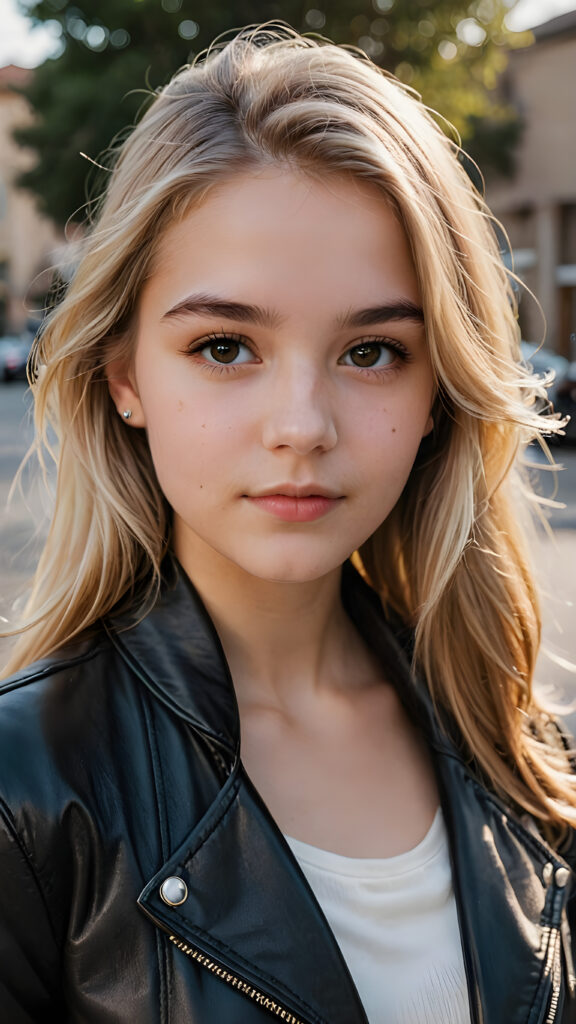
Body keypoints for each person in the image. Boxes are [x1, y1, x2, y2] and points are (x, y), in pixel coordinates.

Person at [0, 23, 574, 1024]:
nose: (302, 427)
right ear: (125, 373)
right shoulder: (26, 796)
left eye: (372, 352)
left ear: (440, 384)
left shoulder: (520, 751)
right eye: (225, 346)